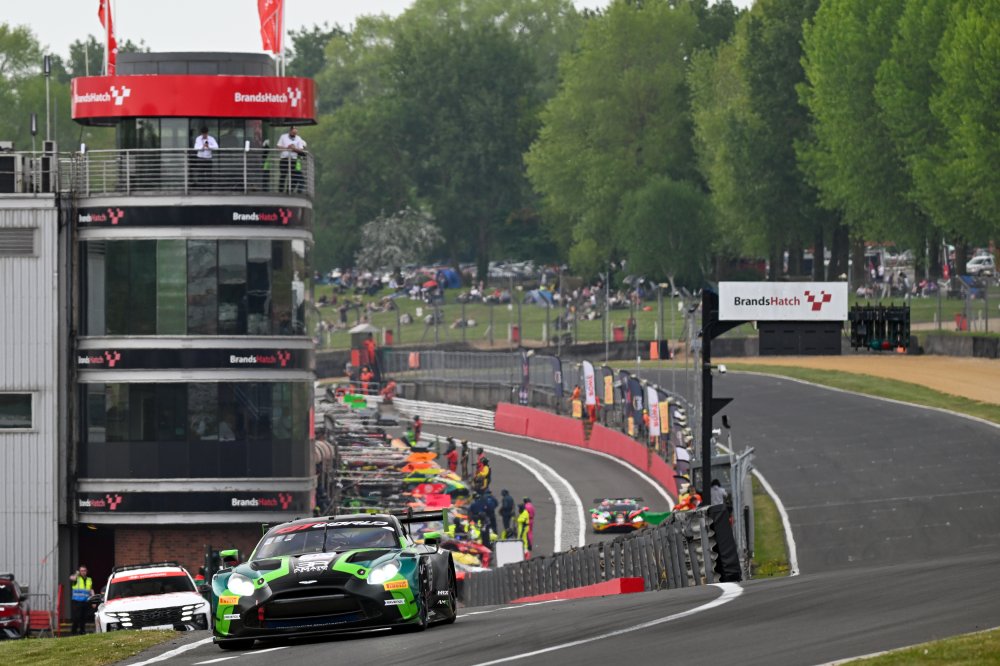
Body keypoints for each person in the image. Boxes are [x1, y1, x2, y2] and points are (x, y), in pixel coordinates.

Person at [276, 125, 307, 193]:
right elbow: (278, 147)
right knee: (283, 175)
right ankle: (280, 191)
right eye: (293, 133)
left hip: (293, 160)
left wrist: (294, 149)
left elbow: (301, 150)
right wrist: (287, 148)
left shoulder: (298, 138)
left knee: (293, 176)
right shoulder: (283, 136)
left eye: (295, 133)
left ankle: (289, 191)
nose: (294, 134)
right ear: (290, 131)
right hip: (284, 159)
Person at [69, 564, 94, 635]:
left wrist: (93, 600)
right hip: (77, 601)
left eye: (84, 570)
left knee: (84, 617)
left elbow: (91, 590)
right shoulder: (76, 578)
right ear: (79, 571)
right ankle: (73, 632)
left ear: (87, 571)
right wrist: (77, 574)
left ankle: (82, 631)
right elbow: (72, 578)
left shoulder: (89, 579)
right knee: (77, 617)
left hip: (85, 601)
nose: (83, 572)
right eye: (81, 571)